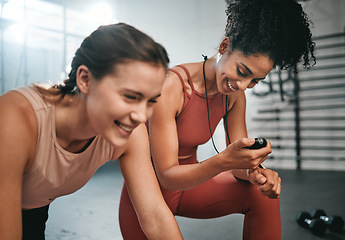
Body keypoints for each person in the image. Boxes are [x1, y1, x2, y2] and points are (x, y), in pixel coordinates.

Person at [119, 0, 316, 239]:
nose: (243, 85)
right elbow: (167, 177)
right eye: (243, 71)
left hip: (189, 188)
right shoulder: (171, 86)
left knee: (260, 194)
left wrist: (257, 172)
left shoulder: (235, 96)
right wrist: (224, 160)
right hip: (147, 196)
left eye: (255, 80)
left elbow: (238, 166)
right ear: (224, 46)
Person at [0, 23, 184, 240]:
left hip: (33, 211)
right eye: (130, 97)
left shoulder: (129, 133)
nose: (142, 116)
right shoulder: (16, 119)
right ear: (85, 79)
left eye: (150, 101)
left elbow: (155, 217)